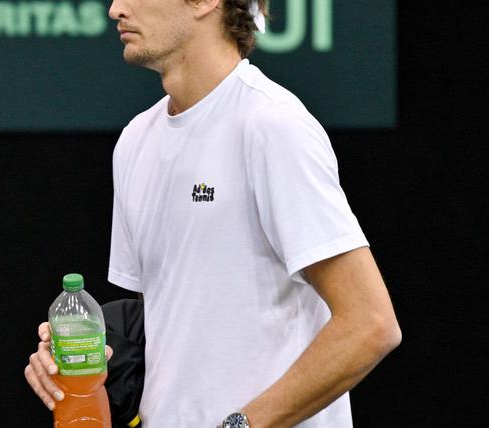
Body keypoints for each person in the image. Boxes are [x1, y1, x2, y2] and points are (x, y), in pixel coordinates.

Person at [24, 0, 401, 426]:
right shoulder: (134, 142)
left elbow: (370, 324)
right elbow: (172, 322)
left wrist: (237, 425)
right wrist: (88, 357)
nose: (115, 9)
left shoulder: (272, 125)